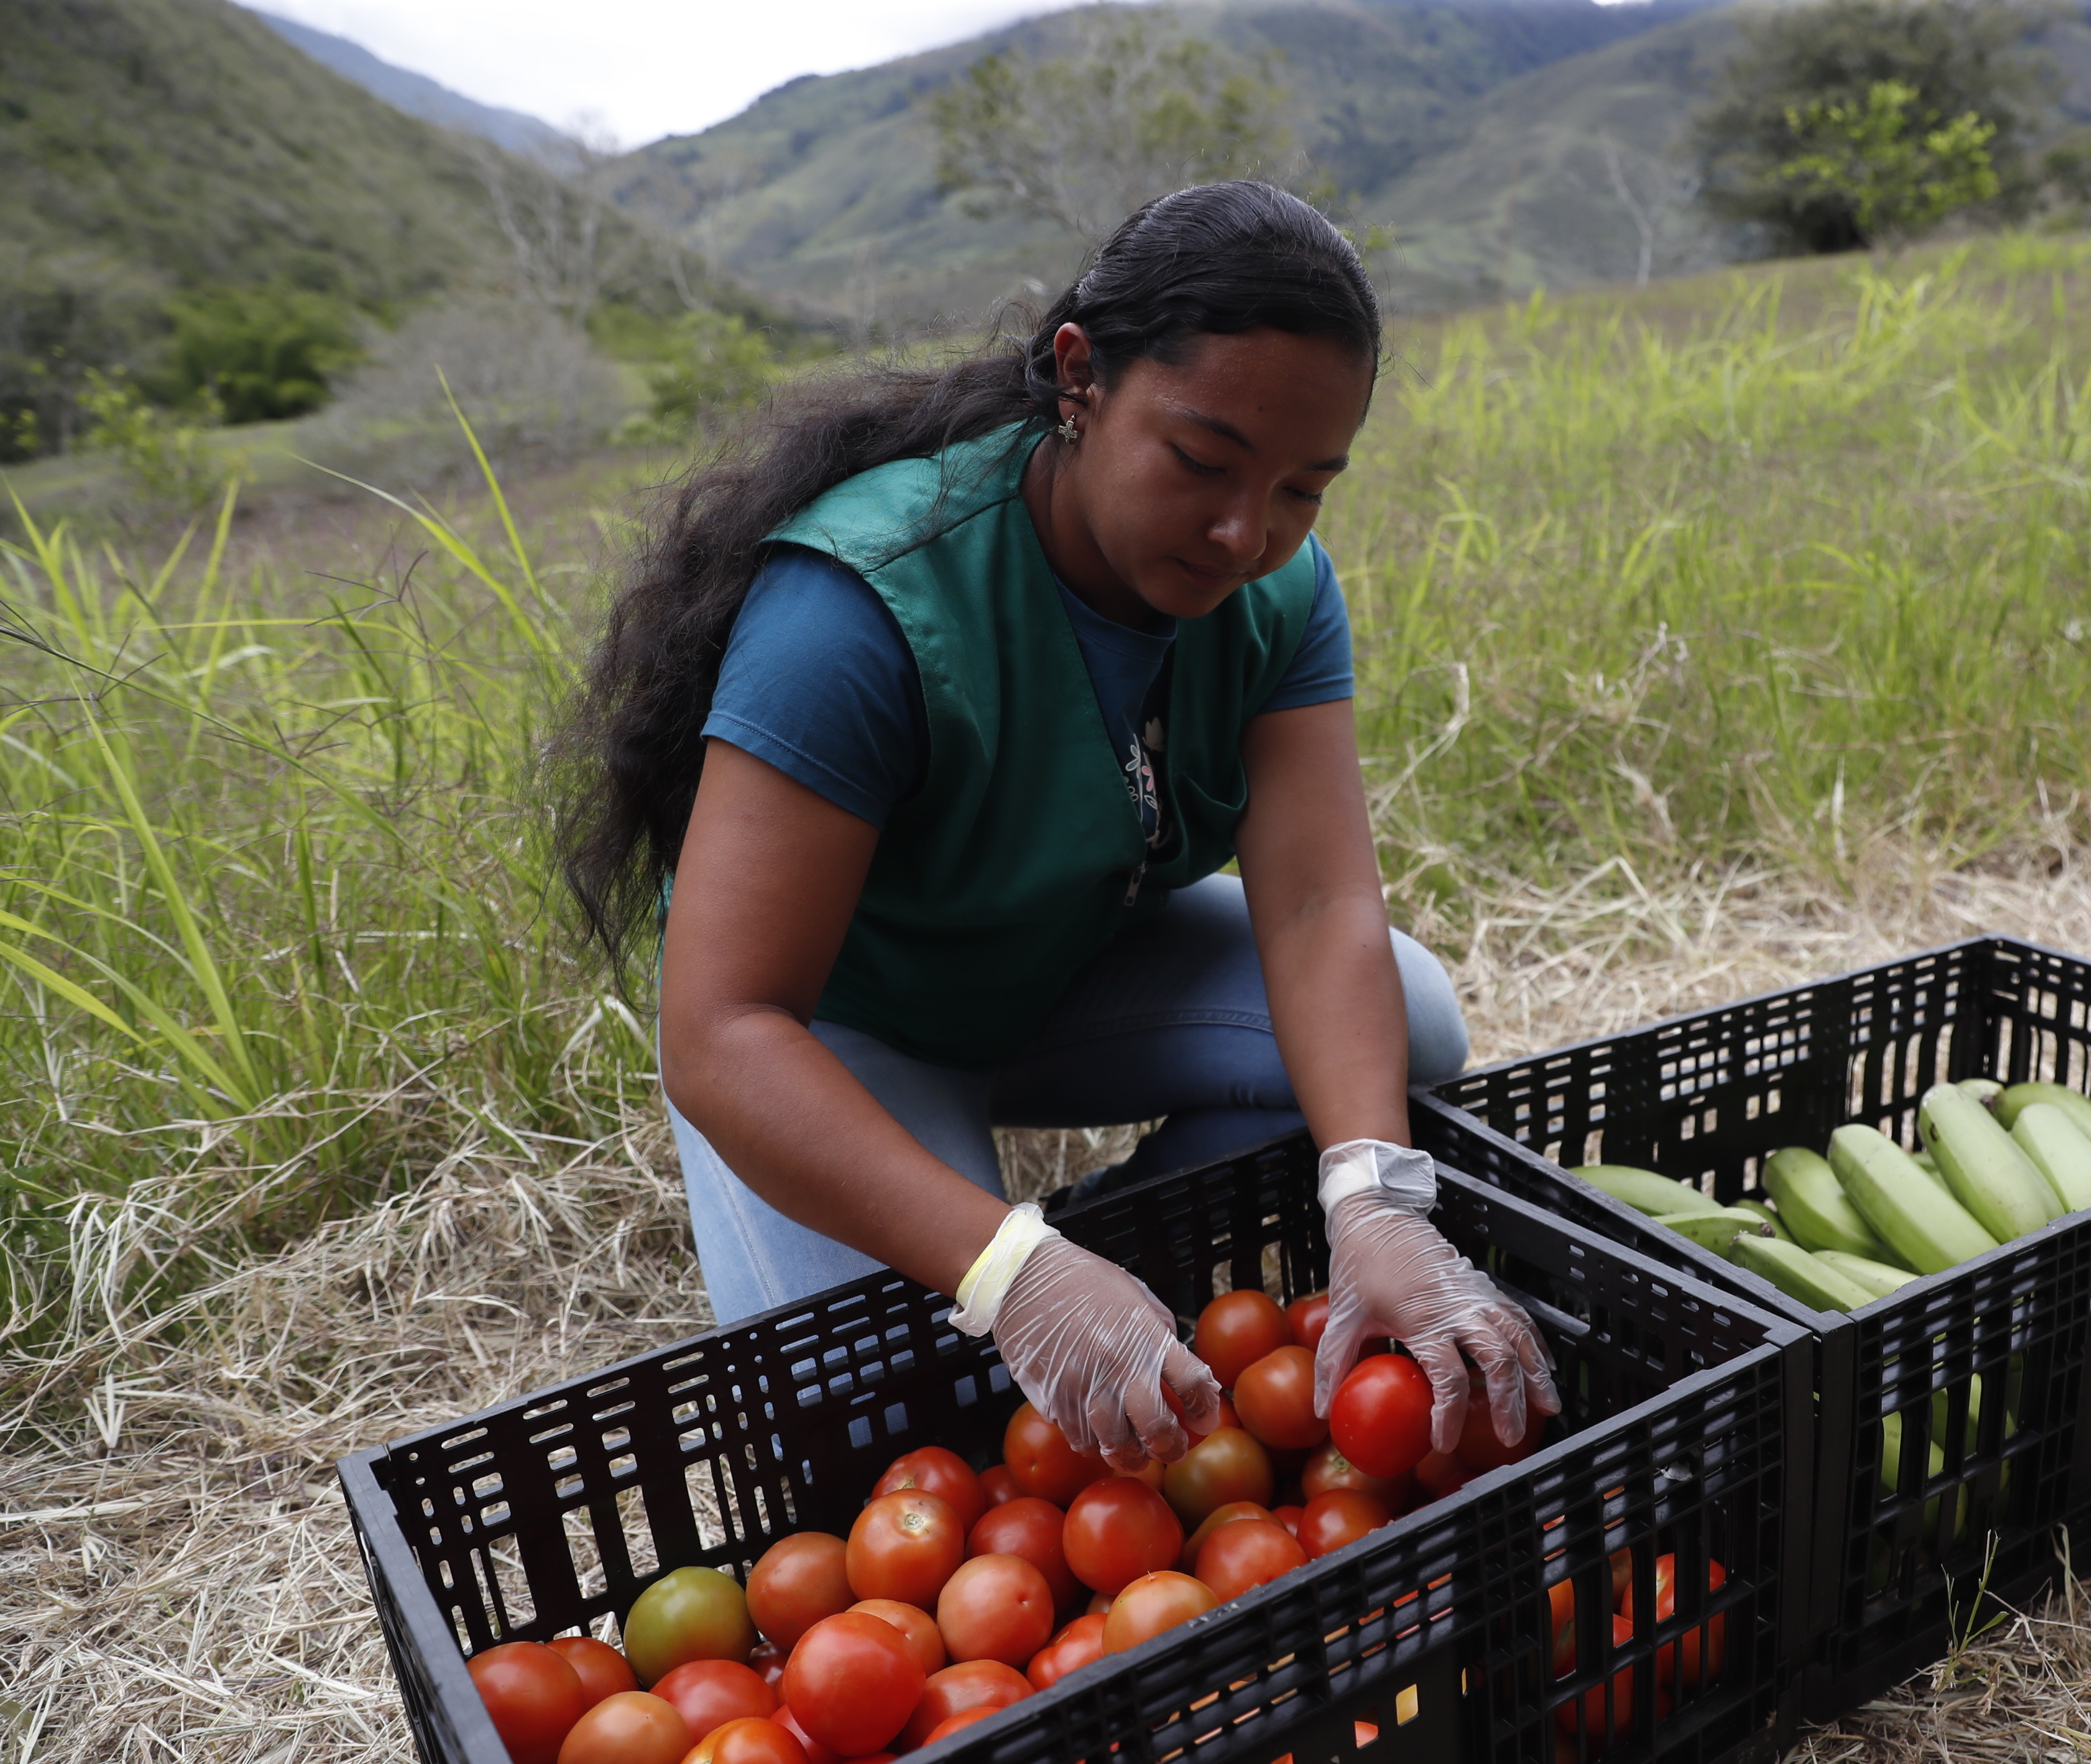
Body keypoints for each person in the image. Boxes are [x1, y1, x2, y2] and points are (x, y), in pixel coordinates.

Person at [559, 182, 1554, 1474]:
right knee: (895, 1427)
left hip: (1061, 964)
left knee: (1400, 1031)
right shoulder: (858, 609)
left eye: (1303, 489)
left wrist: (1376, 1199)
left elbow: (1319, 907)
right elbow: (723, 1033)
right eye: (1201, 462)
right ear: (1080, 377)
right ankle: (1020, 1260)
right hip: (847, 1030)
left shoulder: (1276, 598)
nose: (1244, 532)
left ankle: (1093, 1257)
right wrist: (1010, 1274)